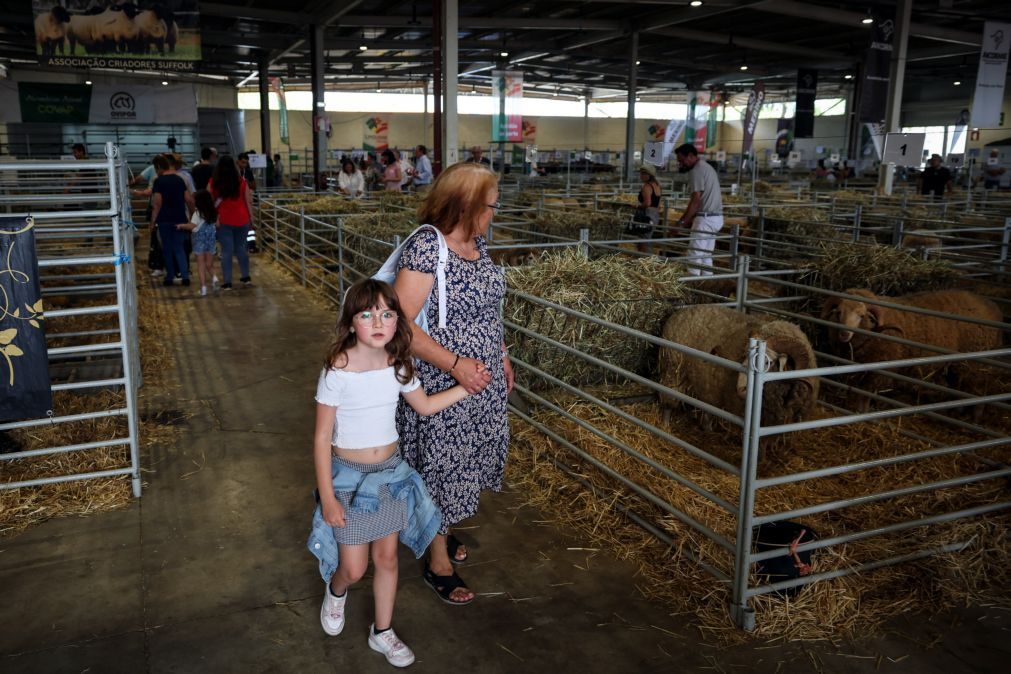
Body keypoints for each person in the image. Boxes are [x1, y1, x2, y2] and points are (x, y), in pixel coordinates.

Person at [308, 279, 473, 667]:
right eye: (367, 314)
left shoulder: (398, 364)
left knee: (387, 559)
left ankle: (382, 632)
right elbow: (320, 439)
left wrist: (468, 387)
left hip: (390, 475)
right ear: (351, 324)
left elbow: (426, 406)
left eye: (386, 313)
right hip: (348, 479)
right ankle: (337, 589)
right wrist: (328, 497)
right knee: (354, 567)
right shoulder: (338, 370)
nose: (378, 321)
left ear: (397, 321)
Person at [393, 162, 513, 605]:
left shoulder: (476, 243)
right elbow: (400, 323)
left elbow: (487, 310)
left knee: (463, 462)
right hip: (444, 379)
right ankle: (437, 559)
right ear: (466, 204)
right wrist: (457, 363)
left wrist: (500, 357)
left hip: (480, 378)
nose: (494, 213)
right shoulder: (427, 246)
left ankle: (440, 521)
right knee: (441, 464)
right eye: (490, 205)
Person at [673, 143, 723, 276]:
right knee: (705, 256)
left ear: (690, 156)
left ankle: (692, 289)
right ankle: (707, 288)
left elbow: (696, 200)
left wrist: (681, 223)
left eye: (682, 160)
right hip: (716, 217)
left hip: (705, 219)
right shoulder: (706, 167)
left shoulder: (696, 171)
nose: (681, 164)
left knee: (694, 255)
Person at [208, 156, 254, 290]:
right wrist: (251, 217)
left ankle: (227, 282)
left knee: (226, 251)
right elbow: (248, 201)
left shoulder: (213, 182)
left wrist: (214, 218)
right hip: (242, 218)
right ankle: (246, 277)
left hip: (223, 220)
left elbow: (210, 202)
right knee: (241, 249)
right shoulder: (242, 182)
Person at [150, 154, 191, 287]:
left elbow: (157, 203)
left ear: (159, 167)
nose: (156, 172)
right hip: (180, 218)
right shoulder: (179, 180)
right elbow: (188, 199)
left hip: (164, 219)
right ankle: (185, 276)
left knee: (167, 249)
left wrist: (152, 221)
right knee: (179, 248)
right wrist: (192, 215)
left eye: (156, 169)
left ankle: (170, 277)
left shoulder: (159, 181)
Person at [176, 189, 218, 297]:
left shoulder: (197, 213)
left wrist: (181, 225)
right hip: (211, 240)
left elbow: (192, 226)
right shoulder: (213, 212)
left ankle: (203, 288)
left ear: (199, 201)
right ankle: (214, 277)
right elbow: (217, 225)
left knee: (201, 265)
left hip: (199, 241)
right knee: (209, 264)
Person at [635, 163, 662, 253]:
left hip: (647, 214)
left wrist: (637, 206)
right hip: (655, 215)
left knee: (643, 238)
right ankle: (647, 260)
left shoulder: (647, 186)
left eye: (644, 174)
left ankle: (645, 260)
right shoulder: (657, 185)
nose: (641, 176)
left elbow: (647, 203)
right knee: (647, 236)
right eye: (641, 173)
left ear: (649, 175)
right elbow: (657, 203)